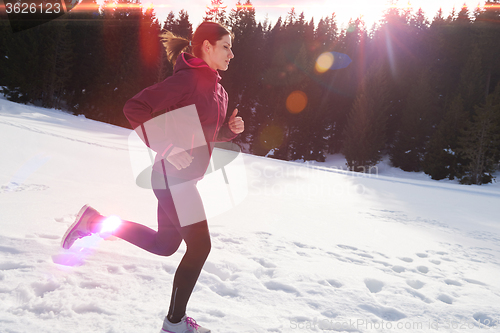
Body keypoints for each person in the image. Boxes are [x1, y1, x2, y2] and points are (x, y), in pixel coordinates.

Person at [61, 21, 244, 333]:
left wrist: (228, 131)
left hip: (182, 179)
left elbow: (205, 134)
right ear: (206, 47)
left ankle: (93, 222)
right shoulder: (189, 80)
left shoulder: (219, 90)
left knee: (164, 244)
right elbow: (136, 107)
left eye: (230, 47)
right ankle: (174, 324)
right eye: (225, 46)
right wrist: (168, 146)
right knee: (200, 247)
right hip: (173, 178)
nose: (231, 53)